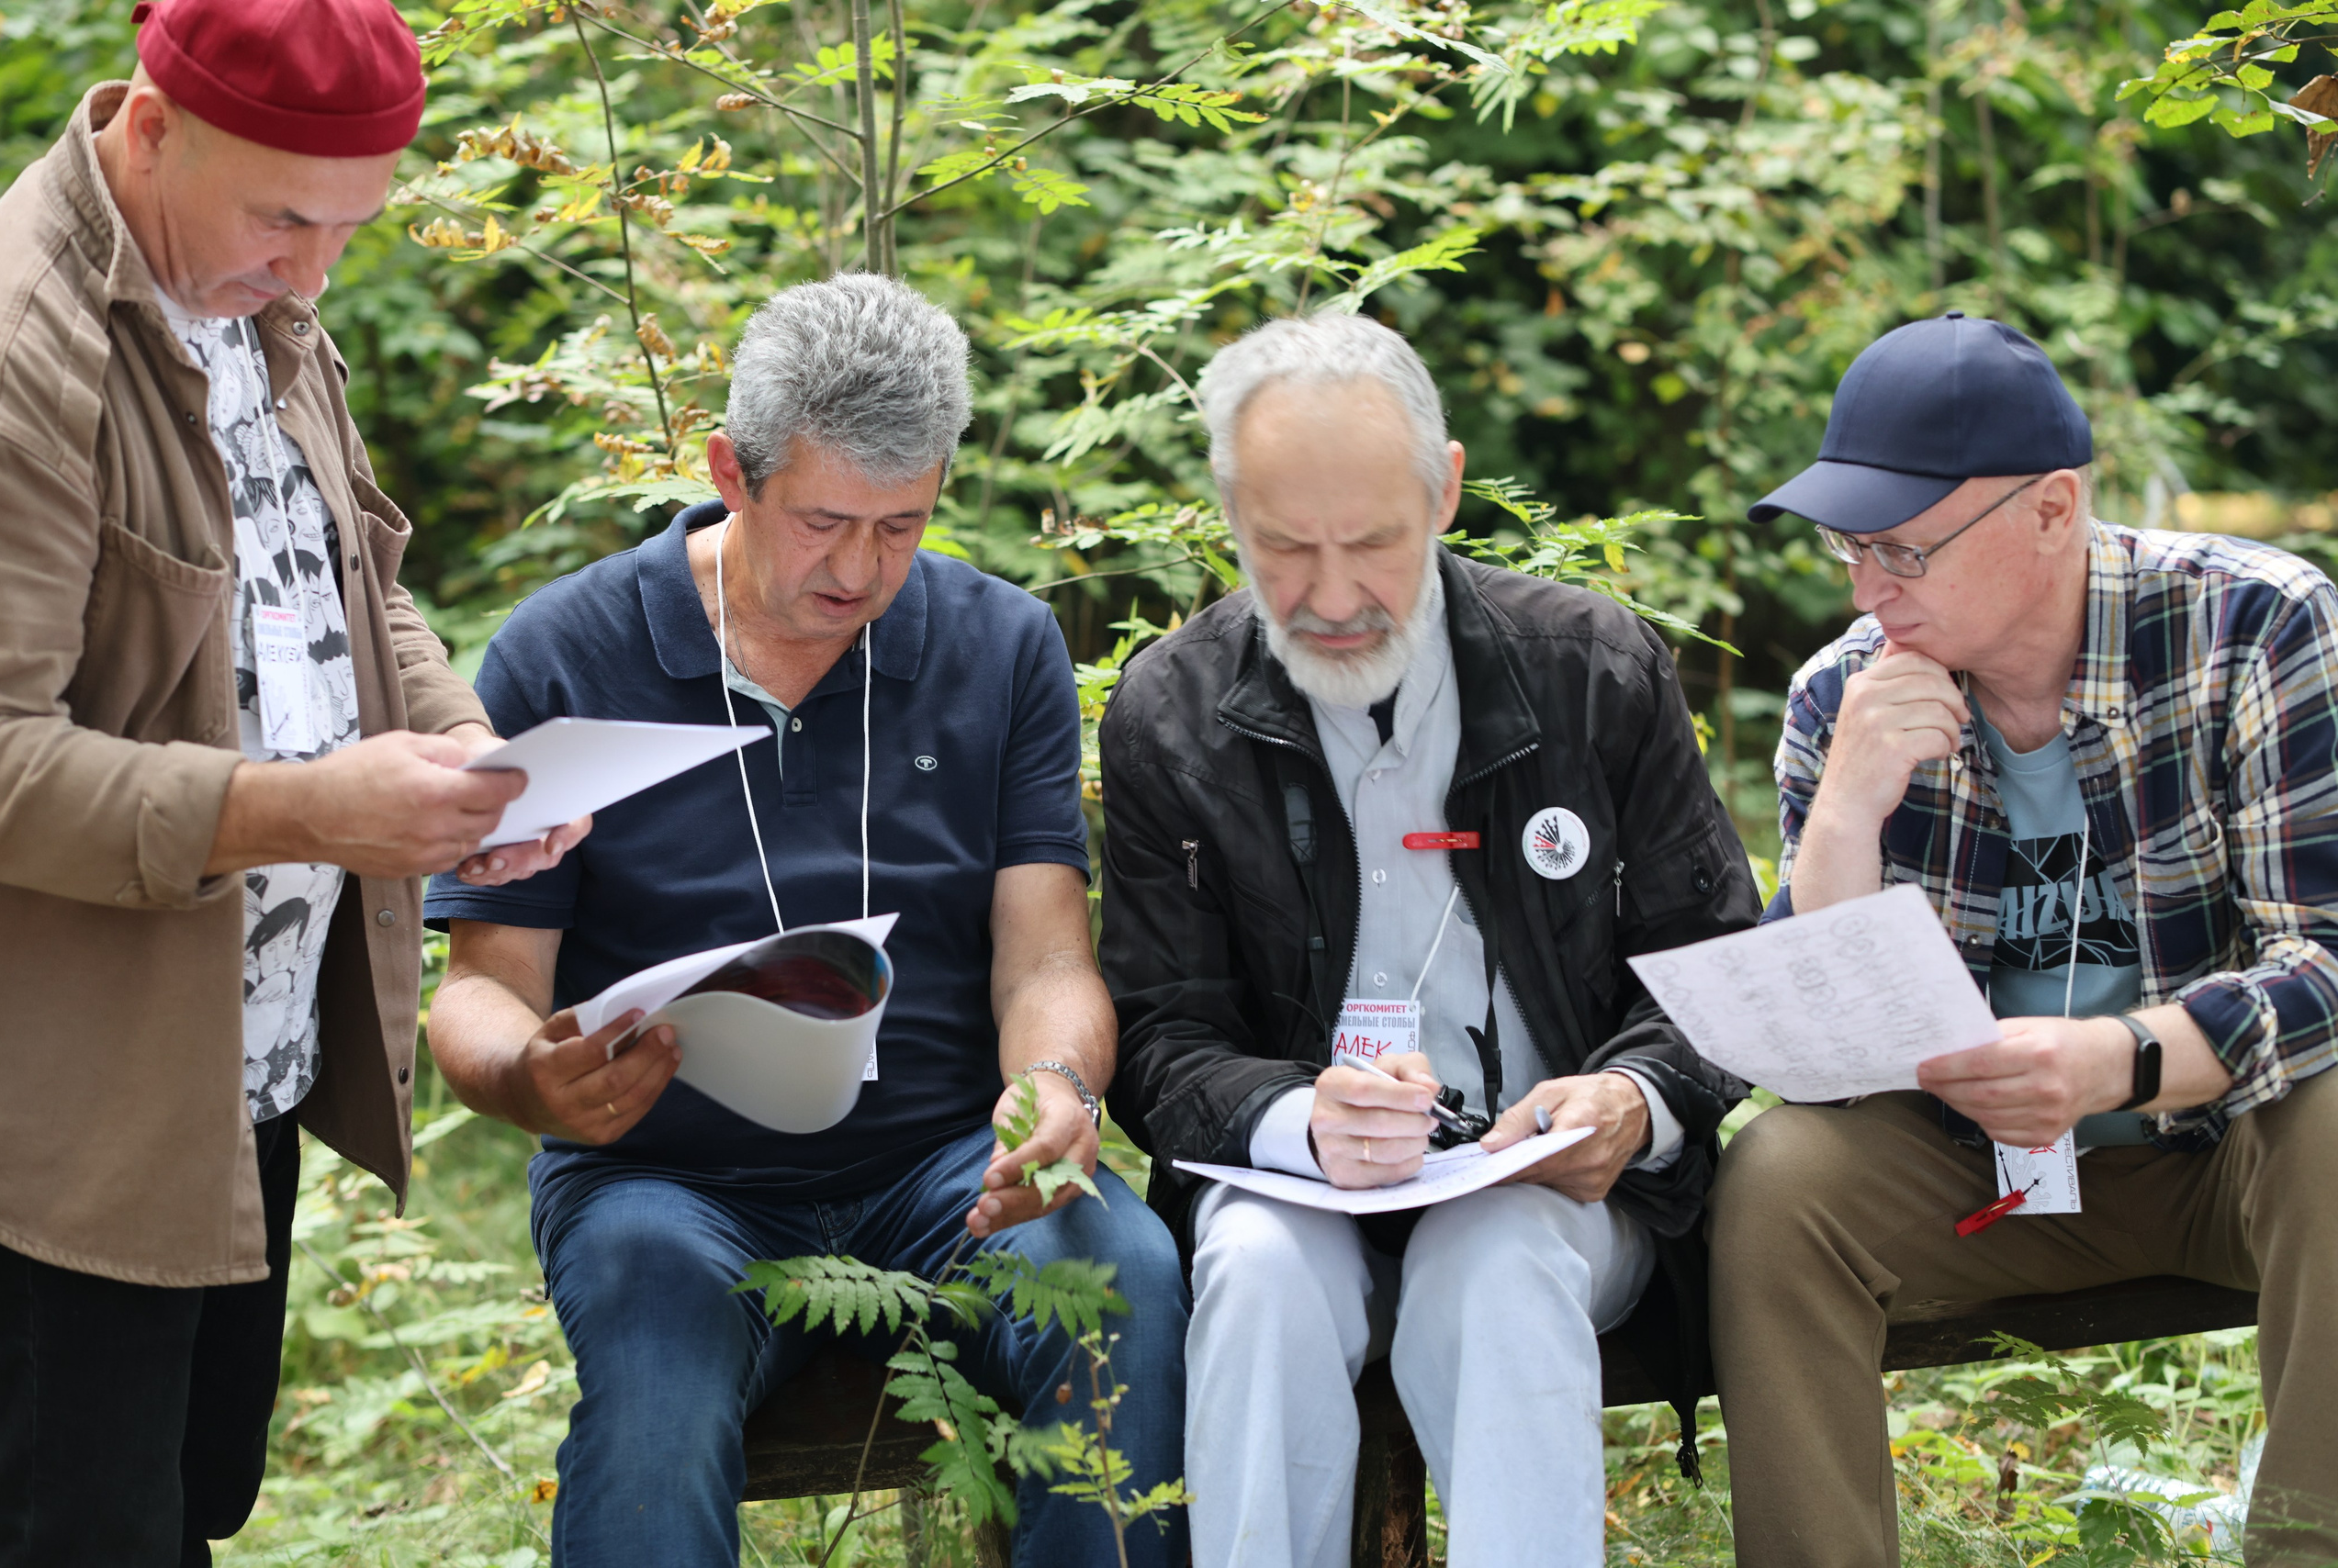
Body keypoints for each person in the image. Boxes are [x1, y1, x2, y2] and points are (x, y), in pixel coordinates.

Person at [422, 273, 1189, 1568]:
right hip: (664, 1181)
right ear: (732, 470)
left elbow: (1047, 957)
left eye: (902, 527)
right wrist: (526, 1079)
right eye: (824, 522)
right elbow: (483, 989)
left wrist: (1055, 1087)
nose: (860, 571)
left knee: (1128, 1281)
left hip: (951, 1164)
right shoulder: (567, 652)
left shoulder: (1000, 647)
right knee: (653, 1381)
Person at [0, 3, 583, 1563]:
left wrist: (467, 756)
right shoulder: (20, 350)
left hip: (233, 1057)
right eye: (285, 221)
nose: (315, 273)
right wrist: (306, 811)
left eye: (349, 228)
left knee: (193, 1498)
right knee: (74, 1527)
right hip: (62, 1105)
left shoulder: (249, 296)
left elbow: (348, 581)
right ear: (152, 128)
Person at [1096, 313, 1760, 1568]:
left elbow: (1717, 971)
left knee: (1494, 1257)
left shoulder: (1593, 671)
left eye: (1373, 544)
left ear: (1445, 491)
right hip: (1294, 1188)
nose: (1332, 597)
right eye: (1283, 548)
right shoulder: (1169, 712)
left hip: (1555, 1193)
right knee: (1255, 1273)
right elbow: (1158, 1031)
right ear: (1229, 515)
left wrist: (1630, 1101)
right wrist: (1297, 1122)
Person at [1709, 311, 2338, 1565]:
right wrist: (1846, 809)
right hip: (1971, 1174)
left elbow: (2326, 957)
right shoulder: (1843, 694)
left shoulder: (2253, 627)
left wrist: (2123, 1059)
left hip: (2227, 1154)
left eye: (1903, 548)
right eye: (1849, 547)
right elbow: (1820, 1065)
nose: (1867, 590)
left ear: (2053, 509)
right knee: (1777, 1181)